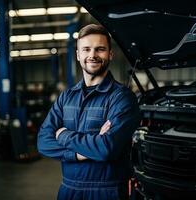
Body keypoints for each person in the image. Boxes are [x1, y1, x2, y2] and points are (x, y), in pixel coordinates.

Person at [37, 24, 141, 200]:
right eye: (86, 49)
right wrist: (81, 153)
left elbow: (106, 149)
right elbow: (43, 142)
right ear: (78, 55)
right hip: (68, 189)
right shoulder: (66, 97)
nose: (92, 55)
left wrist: (63, 135)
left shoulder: (122, 98)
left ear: (110, 54)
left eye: (100, 49)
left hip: (109, 191)